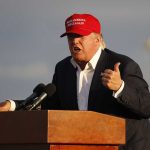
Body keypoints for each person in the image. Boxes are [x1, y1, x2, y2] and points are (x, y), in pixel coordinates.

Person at [0, 13, 150, 150]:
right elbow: (52, 106)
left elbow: (146, 107)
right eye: (70, 36)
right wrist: (13, 105)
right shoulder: (63, 68)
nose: (74, 41)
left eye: (80, 36)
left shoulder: (123, 65)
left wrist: (120, 88)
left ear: (97, 39)